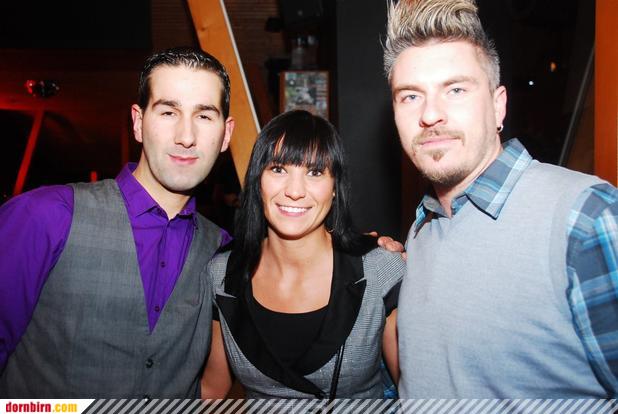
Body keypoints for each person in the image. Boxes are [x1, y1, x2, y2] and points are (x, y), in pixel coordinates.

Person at [384, 0, 618, 398]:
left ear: (498, 106)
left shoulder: (585, 219)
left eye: (456, 89)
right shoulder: (425, 226)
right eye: (410, 96)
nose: (430, 114)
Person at [0, 47, 234, 397]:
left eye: (204, 116)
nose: (186, 136)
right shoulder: (44, 216)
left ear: (226, 134)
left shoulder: (221, 249)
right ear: (138, 122)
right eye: (168, 112)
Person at [201, 110, 405, 399]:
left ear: (335, 187)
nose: (295, 191)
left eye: (315, 172)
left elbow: (415, 394)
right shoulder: (222, 274)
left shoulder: (380, 269)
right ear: (258, 181)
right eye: (278, 169)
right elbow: (212, 390)